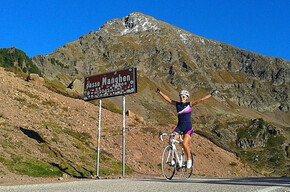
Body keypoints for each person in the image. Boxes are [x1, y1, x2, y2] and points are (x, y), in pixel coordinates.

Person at [156, 88, 218, 168]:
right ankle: (174, 159)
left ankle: (189, 159)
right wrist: (160, 92)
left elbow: (201, 100)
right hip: (179, 127)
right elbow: (168, 99)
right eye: (181, 96)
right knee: (171, 139)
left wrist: (211, 94)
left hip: (188, 128)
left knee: (184, 143)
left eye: (184, 96)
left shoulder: (190, 104)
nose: (182, 97)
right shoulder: (177, 105)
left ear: (187, 97)